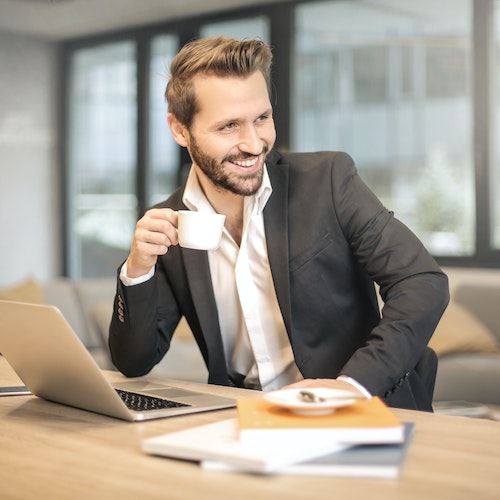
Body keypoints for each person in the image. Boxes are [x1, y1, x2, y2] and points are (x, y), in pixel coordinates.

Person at [109, 36, 449, 411]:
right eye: (229, 127)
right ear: (180, 130)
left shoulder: (328, 180)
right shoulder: (171, 223)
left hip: (355, 409)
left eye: (262, 118)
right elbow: (134, 362)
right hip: (243, 416)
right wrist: (137, 270)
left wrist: (353, 385)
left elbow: (421, 282)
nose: (254, 143)